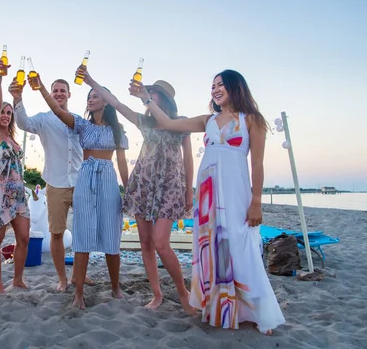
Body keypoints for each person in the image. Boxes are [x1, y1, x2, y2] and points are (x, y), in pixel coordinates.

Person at [129, 69, 285, 334]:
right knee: (212, 248)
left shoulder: (252, 120)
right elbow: (167, 122)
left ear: (236, 87)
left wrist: (256, 201)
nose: (215, 89)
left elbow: (257, 164)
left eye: (221, 84)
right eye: (213, 85)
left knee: (240, 243)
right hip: (208, 193)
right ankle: (220, 306)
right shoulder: (207, 120)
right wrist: (145, 98)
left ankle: (256, 311)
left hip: (236, 191)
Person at [79, 67, 194, 311]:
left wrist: (189, 192)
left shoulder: (180, 123)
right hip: (143, 183)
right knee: (145, 242)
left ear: (166, 99)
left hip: (170, 186)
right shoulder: (145, 121)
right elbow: (115, 103)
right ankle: (157, 294)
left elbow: (188, 159)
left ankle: (184, 295)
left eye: (155, 93)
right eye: (149, 92)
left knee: (161, 242)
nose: (149, 95)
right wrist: (90, 80)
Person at [31, 70, 129, 309]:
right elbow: (57, 110)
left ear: (106, 100)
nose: (91, 99)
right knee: (82, 236)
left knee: (111, 235)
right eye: (89, 96)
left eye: (96, 96)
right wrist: (42, 87)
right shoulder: (82, 126)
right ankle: (78, 294)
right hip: (84, 179)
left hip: (108, 179)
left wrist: (128, 191)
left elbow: (123, 163)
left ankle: (116, 287)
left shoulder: (118, 130)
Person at [9, 78, 93, 292]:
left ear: (69, 94)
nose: (58, 93)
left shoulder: (78, 121)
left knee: (83, 232)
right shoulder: (44, 119)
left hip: (81, 182)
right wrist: (17, 99)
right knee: (56, 232)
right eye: (55, 90)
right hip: (55, 184)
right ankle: (62, 278)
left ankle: (78, 274)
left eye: (62, 90)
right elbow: (23, 123)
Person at [0, 61, 30, 293]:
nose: (6, 115)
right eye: (3, 111)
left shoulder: (14, 140)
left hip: (18, 192)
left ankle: (17, 279)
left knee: (24, 238)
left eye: (9, 113)